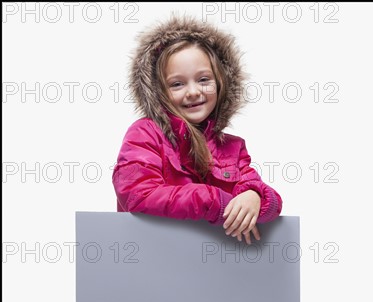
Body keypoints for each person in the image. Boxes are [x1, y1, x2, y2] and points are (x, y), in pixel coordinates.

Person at [112, 13, 283, 244]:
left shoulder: (233, 147)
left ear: (222, 82)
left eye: (203, 80)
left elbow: (270, 203)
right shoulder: (145, 134)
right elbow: (138, 195)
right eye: (177, 84)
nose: (193, 92)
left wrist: (255, 196)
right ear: (158, 91)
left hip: (212, 267)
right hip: (153, 257)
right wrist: (213, 201)